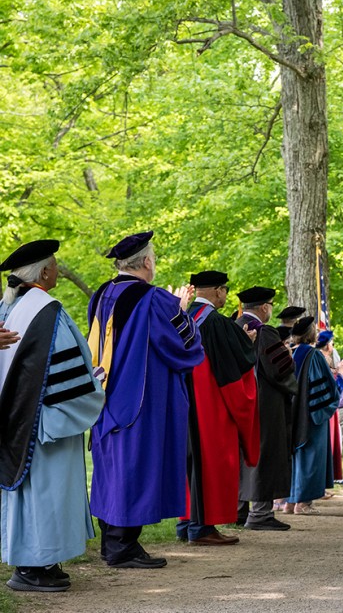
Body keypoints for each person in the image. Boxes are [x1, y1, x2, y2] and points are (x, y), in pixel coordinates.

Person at [88, 231, 204, 568]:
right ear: (148, 263)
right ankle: (122, 548)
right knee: (134, 469)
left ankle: (115, 543)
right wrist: (181, 311)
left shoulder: (100, 294)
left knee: (112, 470)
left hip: (104, 397)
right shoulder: (153, 299)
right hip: (139, 402)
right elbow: (183, 347)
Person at [0, 240, 105, 592]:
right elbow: (68, 367)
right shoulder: (47, 310)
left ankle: (37, 564)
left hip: (16, 420)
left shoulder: (8, 308)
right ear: (44, 272)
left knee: (30, 495)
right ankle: (34, 567)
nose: (58, 270)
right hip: (46, 422)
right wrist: (95, 387)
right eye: (55, 265)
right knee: (46, 493)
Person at [176, 271, 259, 545]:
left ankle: (187, 522)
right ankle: (202, 528)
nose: (226, 295)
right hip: (210, 407)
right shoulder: (216, 323)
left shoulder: (183, 318)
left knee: (189, 462)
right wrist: (246, 344)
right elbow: (235, 371)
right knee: (210, 463)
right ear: (218, 291)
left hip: (183, 404)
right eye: (225, 290)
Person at [235, 286, 296, 532]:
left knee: (241, 455)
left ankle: (238, 511)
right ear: (264, 307)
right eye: (271, 305)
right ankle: (260, 514)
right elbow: (280, 369)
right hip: (265, 404)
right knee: (265, 453)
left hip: (238, 401)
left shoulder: (233, 326)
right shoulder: (265, 332)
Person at [286, 316, 341, 514]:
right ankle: (304, 503)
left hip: (292, 413)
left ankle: (290, 502)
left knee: (295, 457)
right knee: (311, 457)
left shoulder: (292, 353)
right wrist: (326, 407)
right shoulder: (314, 355)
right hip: (311, 415)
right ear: (311, 334)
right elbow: (324, 385)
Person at [317, 330, 343, 486]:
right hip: (323, 409)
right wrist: (342, 372)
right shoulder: (320, 359)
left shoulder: (322, 359)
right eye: (331, 343)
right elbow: (333, 390)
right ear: (327, 346)